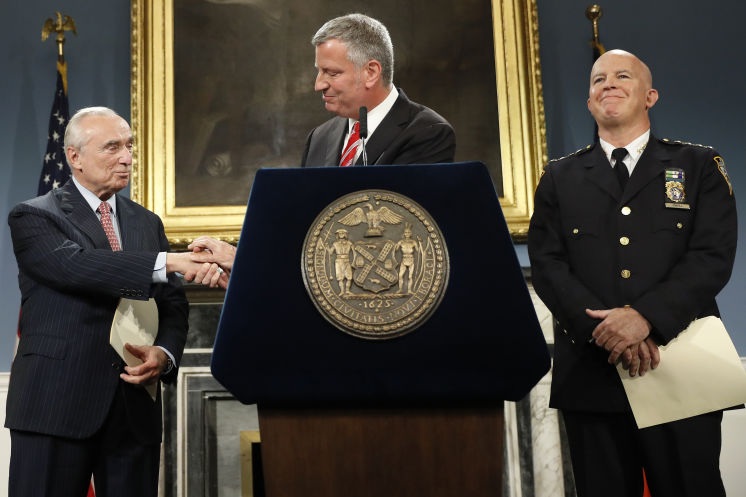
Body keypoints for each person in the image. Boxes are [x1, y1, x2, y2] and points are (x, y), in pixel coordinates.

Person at [528, 50, 737, 497]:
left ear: (650, 96)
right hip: (592, 372)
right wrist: (604, 331)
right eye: (598, 79)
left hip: (679, 365)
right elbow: (547, 265)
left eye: (623, 76)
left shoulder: (698, 166)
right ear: (588, 102)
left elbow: (712, 256)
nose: (609, 84)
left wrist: (645, 318)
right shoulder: (559, 177)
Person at [6, 107, 223, 496]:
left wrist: (165, 353)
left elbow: (172, 304)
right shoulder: (34, 216)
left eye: (129, 146)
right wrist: (172, 260)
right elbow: (76, 267)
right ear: (74, 157)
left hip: (132, 406)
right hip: (55, 404)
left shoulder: (147, 223)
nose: (127, 158)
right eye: (112, 148)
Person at [302, 13, 455, 167]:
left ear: (371, 73)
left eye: (332, 73)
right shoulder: (318, 138)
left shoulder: (428, 133)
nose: (318, 85)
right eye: (319, 71)